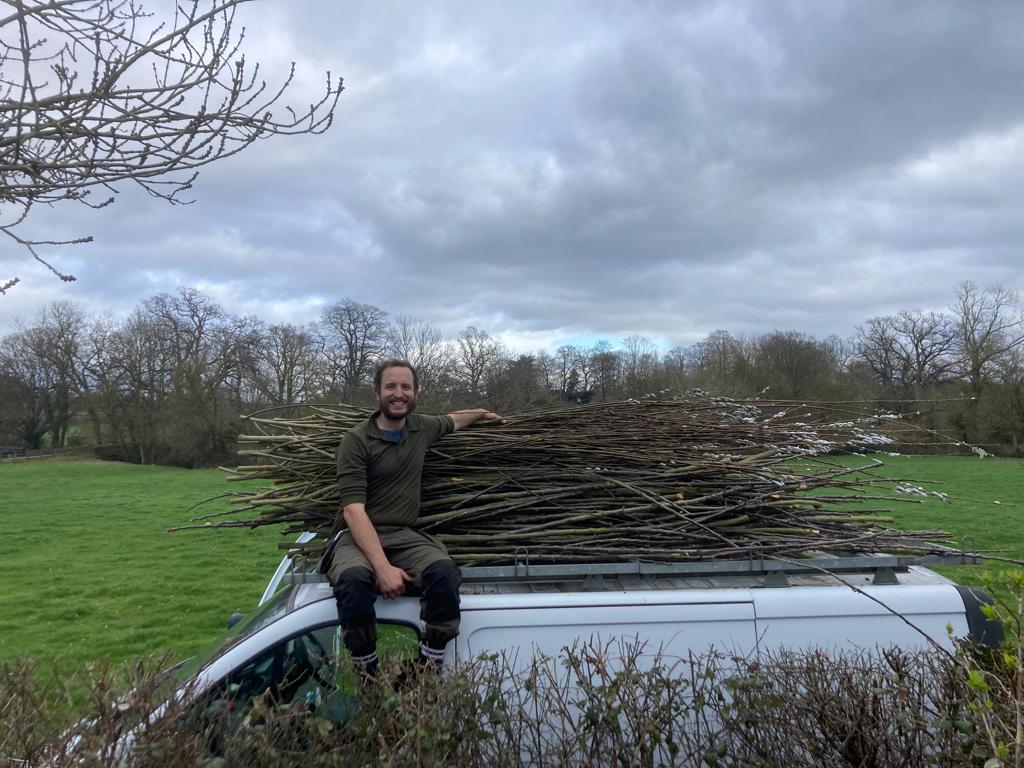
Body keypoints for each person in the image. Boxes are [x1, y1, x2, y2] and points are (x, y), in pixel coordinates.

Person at [322, 359, 502, 679]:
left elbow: (453, 420)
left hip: (402, 533)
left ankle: (427, 667)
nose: (399, 393)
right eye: (390, 386)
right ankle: (367, 673)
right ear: (376, 392)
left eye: (406, 387)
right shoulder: (356, 440)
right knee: (353, 581)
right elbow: (353, 510)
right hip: (356, 534)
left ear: (415, 392)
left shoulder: (421, 427)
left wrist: (480, 412)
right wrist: (382, 568)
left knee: (444, 573)